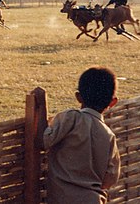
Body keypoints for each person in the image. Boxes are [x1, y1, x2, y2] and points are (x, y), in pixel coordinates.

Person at [35, 67, 121, 204]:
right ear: (113, 102)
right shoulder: (108, 135)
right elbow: (110, 178)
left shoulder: (71, 118)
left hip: (63, 199)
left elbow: (42, 141)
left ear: (78, 96)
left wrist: (41, 105)